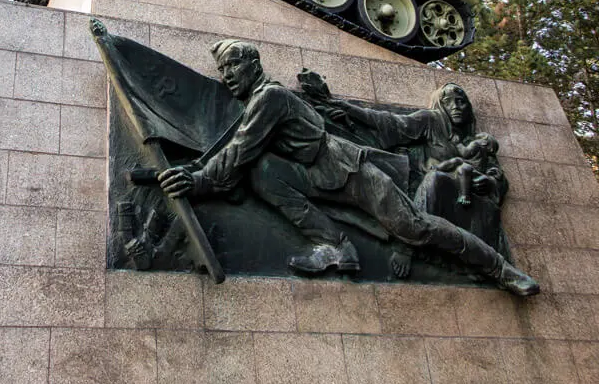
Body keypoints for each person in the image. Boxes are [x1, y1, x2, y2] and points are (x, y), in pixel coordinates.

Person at [156, 39, 539, 296]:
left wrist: (198, 179)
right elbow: (238, 152)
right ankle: (335, 246)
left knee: (416, 228)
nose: (225, 76)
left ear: (253, 64)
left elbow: (240, 149)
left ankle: (502, 270)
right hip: (314, 176)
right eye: (222, 70)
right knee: (263, 173)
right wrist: (198, 174)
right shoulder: (258, 100)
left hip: (350, 173)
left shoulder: (270, 97)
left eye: (231, 67)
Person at [324, 82, 513, 259]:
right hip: (439, 192)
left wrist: (490, 182)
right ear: (440, 105)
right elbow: (391, 122)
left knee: (486, 211)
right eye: (448, 102)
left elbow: (496, 173)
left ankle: (484, 258)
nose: (455, 106)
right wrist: (347, 108)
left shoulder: (481, 140)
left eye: (461, 102)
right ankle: (409, 247)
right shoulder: (431, 120)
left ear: (468, 108)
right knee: (435, 180)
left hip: (471, 201)